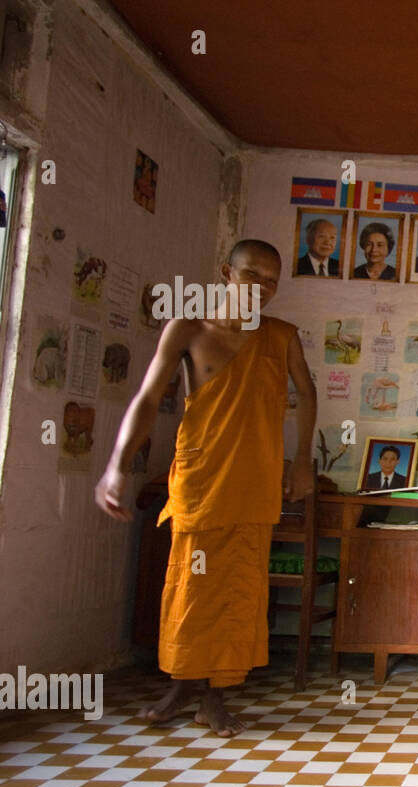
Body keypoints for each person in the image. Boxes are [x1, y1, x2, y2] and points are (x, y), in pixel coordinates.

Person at [94, 239, 317, 737]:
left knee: (239, 592)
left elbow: (306, 391)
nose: (261, 288)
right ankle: (179, 683)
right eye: (252, 276)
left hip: (255, 479)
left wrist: (302, 462)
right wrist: (116, 464)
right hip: (201, 479)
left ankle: (214, 697)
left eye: (272, 280)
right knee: (190, 586)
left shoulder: (281, 336)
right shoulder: (188, 328)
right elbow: (148, 399)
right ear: (225, 272)